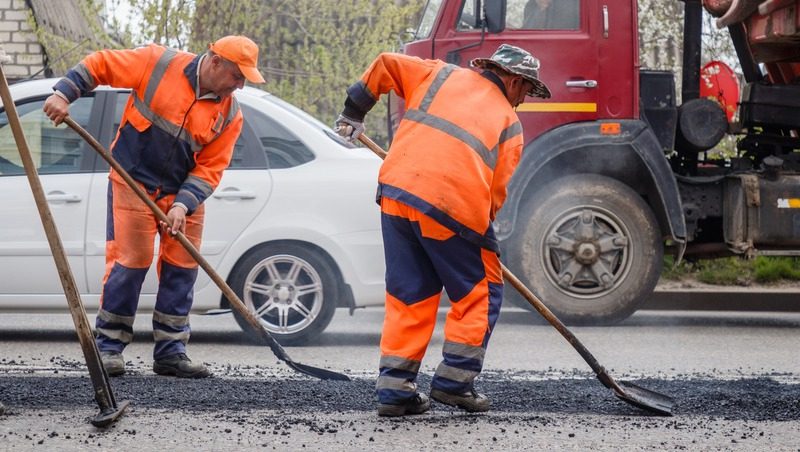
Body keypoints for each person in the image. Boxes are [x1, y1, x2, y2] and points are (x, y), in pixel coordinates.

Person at [335, 44, 550, 416]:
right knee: (481, 293)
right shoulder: (509, 124)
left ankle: (395, 390)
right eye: (526, 91)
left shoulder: (438, 73)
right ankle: (455, 382)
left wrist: (354, 111)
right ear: (514, 81)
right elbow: (495, 194)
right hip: (451, 207)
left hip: (397, 196)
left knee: (410, 293)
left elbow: (386, 63)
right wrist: (483, 237)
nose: (523, 101)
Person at [42, 36, 265, 378]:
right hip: (132, 182)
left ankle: (171, 352)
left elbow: (211, 167)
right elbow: (100, 64)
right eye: (238, 75)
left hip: (181, 193)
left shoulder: (230, 113)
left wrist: (183, 204)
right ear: (215, 62)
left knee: (183, 268)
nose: (241, 84)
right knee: (130, 263)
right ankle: (109, 347)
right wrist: (63, 93)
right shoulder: (158, 64)